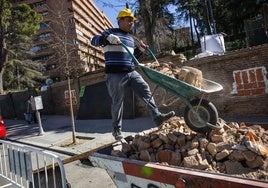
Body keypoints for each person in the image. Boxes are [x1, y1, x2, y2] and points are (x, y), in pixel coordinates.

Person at [91, 8, 175, 140]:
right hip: (115, 74)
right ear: (120, 20)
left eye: (132, 21)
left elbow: (132, 56)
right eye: (129, 20)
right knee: (117, 101)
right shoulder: (110, 32)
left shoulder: (130, 38)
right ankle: (116, 129)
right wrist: (107, 38)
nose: (131, 23)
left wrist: (140, 49)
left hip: (131, 71)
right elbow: (94, 40)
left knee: (145, 90)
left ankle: (157, 116)